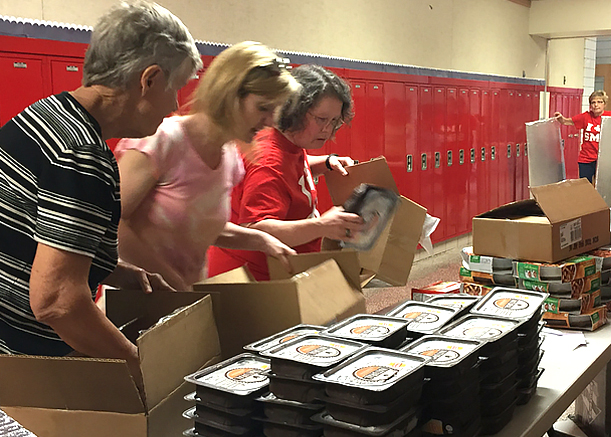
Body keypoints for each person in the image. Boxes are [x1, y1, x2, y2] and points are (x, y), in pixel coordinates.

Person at [0, 1, 199, 390]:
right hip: (24, 367)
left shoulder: (44, 115)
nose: (175, 106)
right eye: (176, 88)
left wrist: (114, 270)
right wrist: (141, 366)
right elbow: (57, 301)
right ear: (150, 79)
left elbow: (30, 234)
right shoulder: (82, 156)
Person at [115, 42, 300, 291]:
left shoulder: (230, 156)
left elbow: (199, 225)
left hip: (183, 300)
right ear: (229, 94)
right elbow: (112, 222)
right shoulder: (162, 140)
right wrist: (172, 280)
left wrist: (260, 239)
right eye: (263, 108)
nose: (270, 121)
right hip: (135, 300)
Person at [207, 64, 364, 281]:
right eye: (320, 119)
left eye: (334, 121)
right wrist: (322, 226)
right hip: (253, 283)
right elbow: (256, 228)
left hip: (277, 272)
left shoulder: (287, 142)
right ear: (295, 109)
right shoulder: (268, 161)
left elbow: (291, 169)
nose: (327, 129)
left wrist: (327, 163)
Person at [554, 90, 611, 184]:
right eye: (593, 102)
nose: (596, 105)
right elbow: (567, 121)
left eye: (599, 102)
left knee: (602, 185)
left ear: (604, 104)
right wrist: (561, 118)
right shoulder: (586, 116)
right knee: (584, 186)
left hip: (603, 159)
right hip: (586, 158)